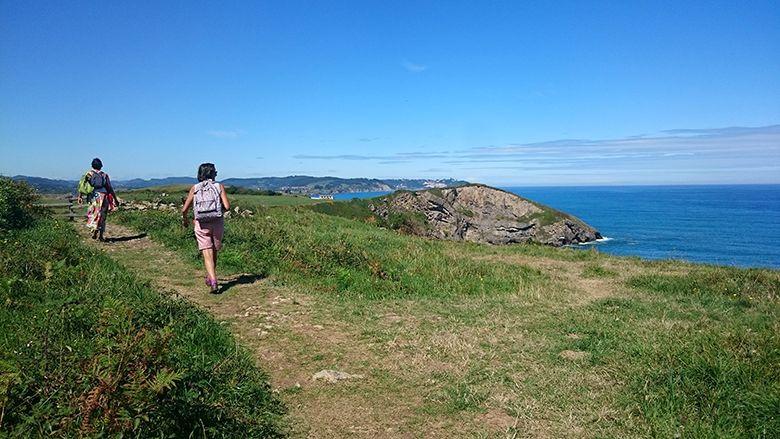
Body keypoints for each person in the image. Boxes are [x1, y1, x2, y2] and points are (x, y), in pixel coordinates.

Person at [181, 163, 230, 293]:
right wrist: (217, 211)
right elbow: (227, 206)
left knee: (207, 252)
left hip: (201, 223)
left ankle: (213, 280)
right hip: (217, 222)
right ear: (213, 173)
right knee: (214, 250)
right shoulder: (219, 186)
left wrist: (186, 220)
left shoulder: (195, 188)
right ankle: (211, 277)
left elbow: (184, 209)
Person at [78, 158, 119, 241]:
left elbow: (82, 186)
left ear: (92, 165)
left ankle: (94, 230)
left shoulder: (88, 174)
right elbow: (109, 188)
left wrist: (80, 196)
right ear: (101, 166)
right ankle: (100, 235)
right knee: (102, 216)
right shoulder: (104, 175)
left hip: (93, 196)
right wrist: (115, 199)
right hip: (104, 197)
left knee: (94, 214)